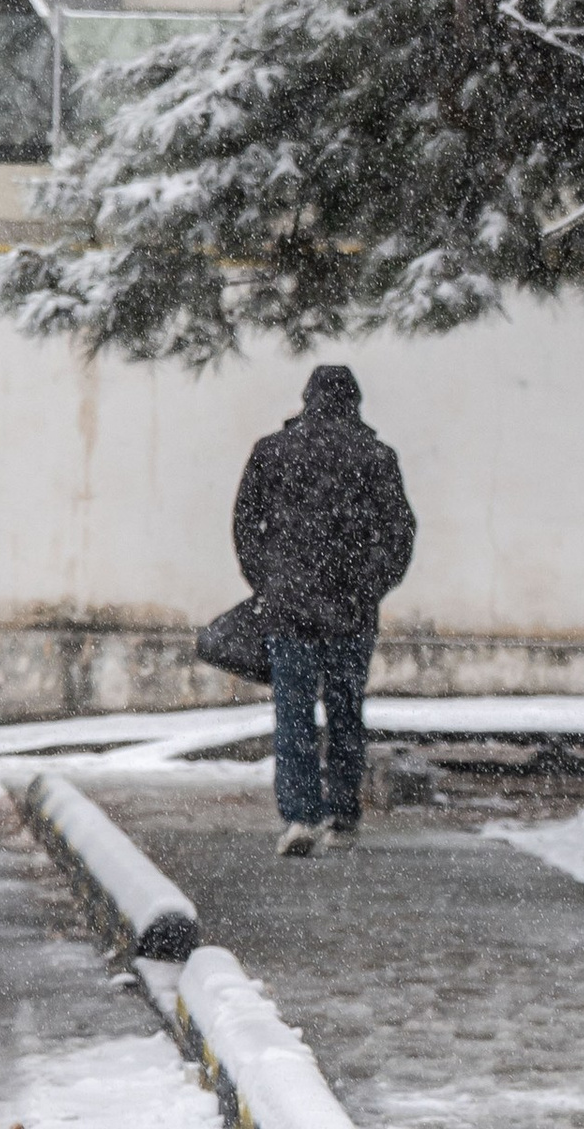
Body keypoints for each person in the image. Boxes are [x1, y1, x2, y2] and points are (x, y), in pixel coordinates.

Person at [232, 363, 416, 854]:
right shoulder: (376, 457)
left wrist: (269, 583)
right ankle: (343, 811)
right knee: (346, 712)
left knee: (292, 712)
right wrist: (368, 587)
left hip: (289, 611)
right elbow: (399, 535)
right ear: (354, 402)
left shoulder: (273, 452)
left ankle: (300, 817)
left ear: (307, 398)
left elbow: (246, 527)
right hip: (351, 614)